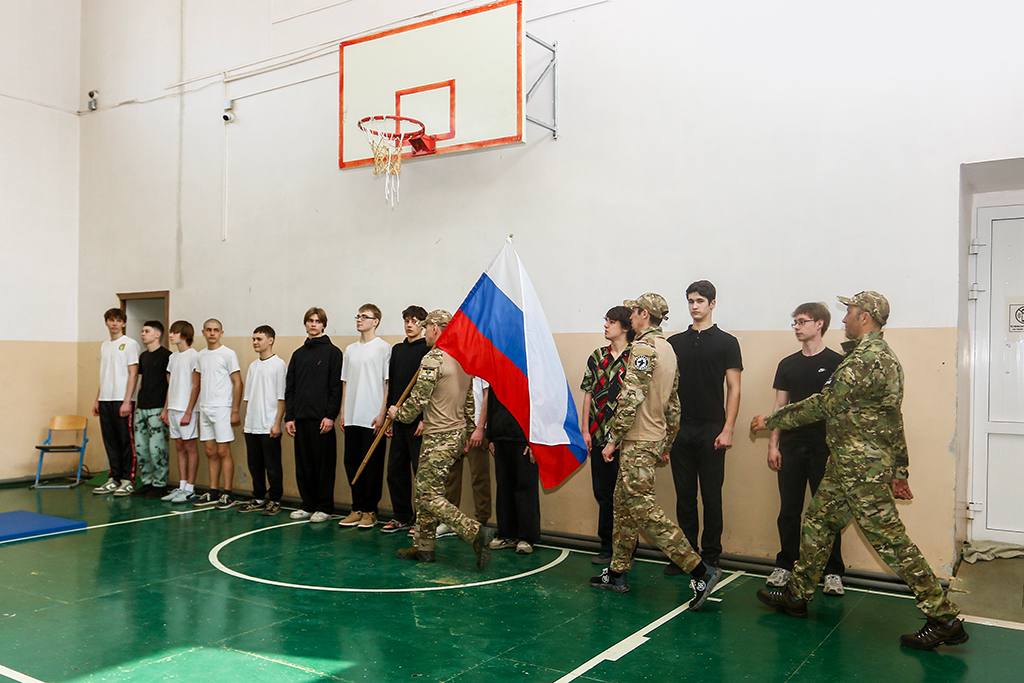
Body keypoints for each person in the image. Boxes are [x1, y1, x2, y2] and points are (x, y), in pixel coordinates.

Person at [751, 291, 968, 650]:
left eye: (849, 311)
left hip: (861, 468)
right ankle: (797, 594)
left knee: (890, 540)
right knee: (818, 521)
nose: (844, 318)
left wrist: (771, 420)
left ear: (864, 316)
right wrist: (900, 469)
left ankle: (943, 617)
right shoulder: (883, 358)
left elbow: (825, 404)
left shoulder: (866, 360)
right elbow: (893, 418)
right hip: (848, 464)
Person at [590, 293, 721, 608]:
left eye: (633, 312)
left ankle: (700, 570)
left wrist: (612, 439)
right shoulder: (668, 349)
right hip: (650, 439)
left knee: (645, 511)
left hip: (637, 440)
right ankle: (617, 572)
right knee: (623, 507)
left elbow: (630, 397)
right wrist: (667, 442)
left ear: (643, 314)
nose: (630, 317)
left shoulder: (644, 348)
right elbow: (674, 403)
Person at [389, 309, 494, 567]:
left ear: (436, 328)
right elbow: (469, 402)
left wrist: (397, 413)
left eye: (427, 328)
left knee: (427, 495)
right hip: (454, 434)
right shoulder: (462, 359)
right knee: (425, 491)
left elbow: (418, 400)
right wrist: (468, 431)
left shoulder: (433, 358)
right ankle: (424, 547)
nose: (425, 332)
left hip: (438, 436)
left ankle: (474, 531)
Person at [766, 303, 845, 594]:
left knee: (827, 512)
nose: (797, 327)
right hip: (791, 447)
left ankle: (832, 571)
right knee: (789, 509)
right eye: (795, 322)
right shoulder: (787, 364)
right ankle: (785, 565)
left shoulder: (838, 362)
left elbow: (842, 410)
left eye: (802, 321)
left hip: (825, 449)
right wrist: (773, 445)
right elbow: (780, 407)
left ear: (819, 324)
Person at [665, 279, 742, 573]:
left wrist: (728, 428)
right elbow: (667, 389)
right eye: (691, 301)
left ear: (712, 304)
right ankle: (687, 555)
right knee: (684, 495)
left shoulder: (727, 342)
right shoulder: (675, 343)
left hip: (712, 429)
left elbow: (734, 388)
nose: (694, 306)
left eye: (700, 301)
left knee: (711, 495)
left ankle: (711, 555)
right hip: (680, 428)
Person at [580, 305, 633, 564]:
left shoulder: (636, 357)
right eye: (606, 321)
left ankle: (626, 548)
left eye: (611, 322)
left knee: (625, 496)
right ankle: (606, 545)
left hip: (627, 439)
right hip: (599, 434)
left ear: (625, 327)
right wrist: (584, 430)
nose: (606, 325)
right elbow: (588, 393)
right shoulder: (597, 356)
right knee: (603, 492)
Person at [284, 307, 343, 523]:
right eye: (310, 321)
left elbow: (336, 388)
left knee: (323, 466)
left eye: (317, 321)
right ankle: (307, 505)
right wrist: (289, 417)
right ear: (305, 324)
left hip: (322, 421)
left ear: (323, 325)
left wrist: (330, 416)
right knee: (304, 465)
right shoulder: (298, 354)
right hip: (300, 419)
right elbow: (290, 388)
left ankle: (324, 507)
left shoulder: (333, 353)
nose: (313, 324)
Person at [338, 304, 391, 529]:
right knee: (351, 462)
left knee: (372, 465)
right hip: (352, 415)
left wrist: (382, 414)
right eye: (358, 316)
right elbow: (345, 382)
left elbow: (387, 384)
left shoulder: (384, 348)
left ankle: (370, 510)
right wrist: (343, 411)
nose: (359, 320)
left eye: (364, 316)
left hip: (372, 417)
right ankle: (356, 508)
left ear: (375, 321)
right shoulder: (350, 350)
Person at [381, 306, 429, 534]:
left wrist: (425, 418)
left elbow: (430, 390)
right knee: (395, 471)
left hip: (418, 422)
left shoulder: (428, 351)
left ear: (423, 325)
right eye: (407, 320)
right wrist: (389, 418)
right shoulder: (398, 350)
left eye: (415, 321)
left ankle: (422, 520)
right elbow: (392, 385)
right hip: (397, 418)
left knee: (420, 472)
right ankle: (402, 516)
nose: (410, 325)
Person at [193, 319, 242, 510]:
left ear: (221, 333)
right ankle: (213, 491)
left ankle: (228, 493)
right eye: (208, 330)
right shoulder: (200, 355)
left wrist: (235, 409)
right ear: (203, 332)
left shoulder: (228, 354)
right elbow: (197, 383)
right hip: (205, 408)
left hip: (222, 408)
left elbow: (237, 382)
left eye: (216, 330)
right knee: (210, 451)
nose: (212, 333)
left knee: (223, 451)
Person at [239, 325, 287, 516]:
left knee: (272, 466)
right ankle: (258, 497)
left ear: (270, 340)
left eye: (259, 339)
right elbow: (248, 398)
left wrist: (277, 423)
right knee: (254, 465)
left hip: (269, 426)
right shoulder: (253, 366)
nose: (255, 342)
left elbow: (282, 398)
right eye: (253, 339)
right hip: (252, 425)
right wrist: (247, 423)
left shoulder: (279, 365)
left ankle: (275, 499)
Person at [92, 308, 140, 496]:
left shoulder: (130, 344)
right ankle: (114, 477)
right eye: (111, 320)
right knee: (110, 440)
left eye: (118, 320)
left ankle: (128, 479)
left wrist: (127, 401)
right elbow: (103, 374)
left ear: (124, 323)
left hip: (122, 399)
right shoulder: (104, 345)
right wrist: (97, 399)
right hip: (105, 399)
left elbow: (133, 373)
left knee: (125, 440)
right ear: (106, 322)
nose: (114, 324)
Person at [486, 387, 538, 554]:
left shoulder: (533, 375)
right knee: (504, 488)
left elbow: (540, 406)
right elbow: (491, 404)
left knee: (525, 488)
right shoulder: (497, 377)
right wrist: (490, 437)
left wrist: (535, 441)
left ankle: (526, 538)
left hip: (524, 441)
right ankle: (507, 535)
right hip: (500, 438)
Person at [440, 376, 493, 539]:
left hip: (476, 429)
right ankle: (450, 520)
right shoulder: (455, 368)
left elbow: (487, 396)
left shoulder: (482, 368)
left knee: (479, 476)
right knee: (451, 476)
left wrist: (480, 428)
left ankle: (481, 521)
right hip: (455, 427)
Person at [161, 320, 201, 503]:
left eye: (175, 332)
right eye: (171, 332)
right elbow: (171, 386)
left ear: (184, 334)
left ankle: (190, 488)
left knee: (190, 447)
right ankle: (182, 485)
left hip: (187, 410)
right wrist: (165, 409)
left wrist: (189, 411)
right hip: (173, 409)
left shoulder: (194, 356)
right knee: (179, 447)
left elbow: (196, 386)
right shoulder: (173, 357)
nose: (171, 335)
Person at [134, 320, 171, 497]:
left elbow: (170, 385)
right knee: (141, 448)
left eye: (146, 331)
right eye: (142, 331)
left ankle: (160, 484)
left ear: (157, 334)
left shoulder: (167, 356)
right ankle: (147, 481)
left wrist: (166, 409)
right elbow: (142, 381)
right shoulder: (143, 356)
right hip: (142, 407)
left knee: (157, 448)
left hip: (158, 408)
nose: (143, 334)